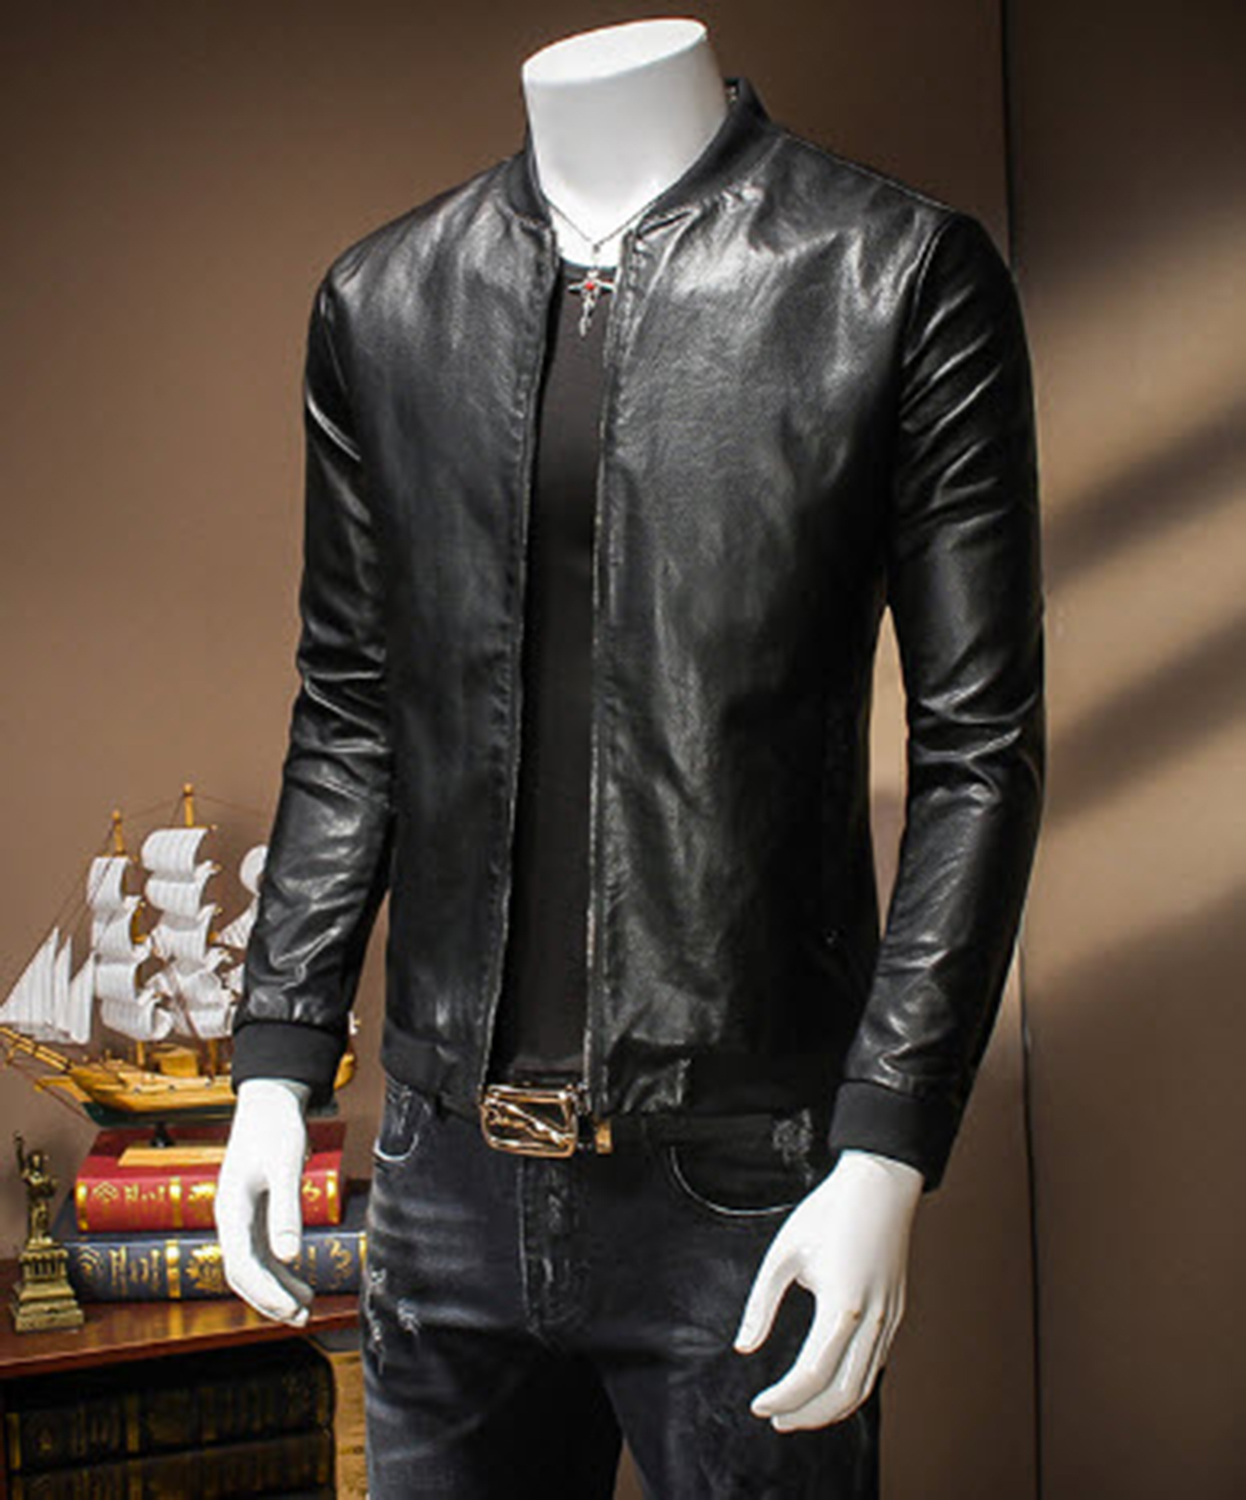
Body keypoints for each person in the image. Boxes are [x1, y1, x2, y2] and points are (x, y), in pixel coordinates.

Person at [216, 17, 1045, 1498]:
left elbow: (979, 749)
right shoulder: (386, 299)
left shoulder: (890, 271)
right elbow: (351, 707)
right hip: (444, 1175)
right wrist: (279, 1059)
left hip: (742, 1174)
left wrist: (886, 1142)